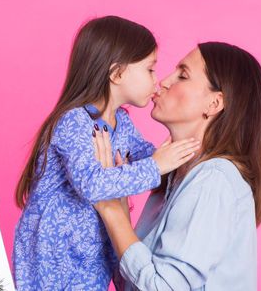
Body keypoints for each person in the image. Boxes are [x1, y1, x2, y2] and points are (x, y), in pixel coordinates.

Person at [12, 16, 199, 290]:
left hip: (92, 255)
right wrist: (156, 166)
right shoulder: (73, 122)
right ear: (117, 74)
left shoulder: (122, 122)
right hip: (53, 254)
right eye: (149, 70)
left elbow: (147, 158)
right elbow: (91, 184)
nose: (156, 81)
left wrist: (178, 158)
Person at [93, 42, 261, 290]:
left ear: (214, 104)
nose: (164, 81)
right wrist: (119, 206)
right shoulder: (173, 178)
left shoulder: (213, 180)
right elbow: (131, 283)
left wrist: (110, 209)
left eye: (183, 75)